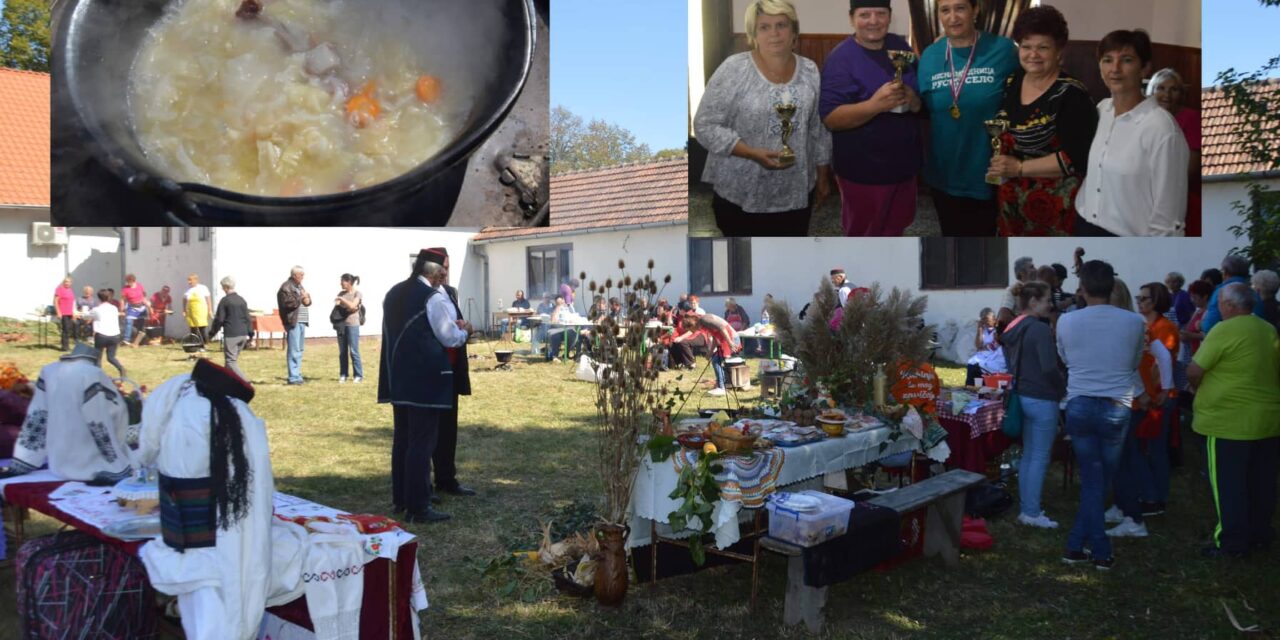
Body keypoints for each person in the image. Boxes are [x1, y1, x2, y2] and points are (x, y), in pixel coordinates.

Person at [135, 359, 274, 640]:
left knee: (198, 603)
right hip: (218, 536)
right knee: (219, 605)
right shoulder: (230, 417)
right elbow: (256, 486)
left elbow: (146, 451)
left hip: (184, 531)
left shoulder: (172, 395)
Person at [694, 0, 832, 236]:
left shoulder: (810, 70)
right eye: (764, 27)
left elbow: (817, 129)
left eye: (781, 25)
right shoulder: (734, 69)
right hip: (741, 194)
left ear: (794, 31)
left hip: (796, 192)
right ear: (753, 34)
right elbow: (705, 125)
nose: (775, 34)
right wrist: (749, 152)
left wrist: (823, 175)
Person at [1056, 259, 1145, 570]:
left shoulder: (1067, 321)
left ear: (1082, 287)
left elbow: (1064, 358)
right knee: (1099, 480)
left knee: (1095, 480)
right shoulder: (1135, 322)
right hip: (1116, 404)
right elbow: (1134, 363)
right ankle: (1099, 548)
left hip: (1080, 402)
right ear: (1112, 286)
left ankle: (1076, 545)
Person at [1186, 283, 1280, 558]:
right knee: (1261, 483)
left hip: (1228, 421)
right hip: (1267, 419)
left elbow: (1194, 369)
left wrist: (1196, 386)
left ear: (1228, 305)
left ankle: (1231, 543)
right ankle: (1260, 535)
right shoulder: (1267, 329)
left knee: (1229, 486)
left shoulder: (1224, 329)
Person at [379, 248, 471, 523]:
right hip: (424, 379)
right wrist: (467, 331)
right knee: (422, 442)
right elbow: (449, 337)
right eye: (441, 272)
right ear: (431, 273)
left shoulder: (394, 292)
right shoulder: (430, 297)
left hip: (399, 377)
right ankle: (418, 506)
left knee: (403, 440)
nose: (443, 277)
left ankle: (402, 498)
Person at [988, 5, 1097, 236]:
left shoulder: (1072, 94)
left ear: (1059, 51)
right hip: (1011, 201)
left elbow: (1077, 158)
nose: (1033, 54)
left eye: (1043, 47)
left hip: (1055, 209)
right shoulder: (1013, 81)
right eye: (1026, 47)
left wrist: (1019, 168)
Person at [820, 0, 922, 236]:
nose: (873, 21)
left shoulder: (900, 46)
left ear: (889, 16)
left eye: (880, 13)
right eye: (865, 14)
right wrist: (874, 105)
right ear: (851, 19)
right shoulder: (840, 58)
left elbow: (918, 101)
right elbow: (831, 118)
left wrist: (913, 99)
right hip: (864, 171)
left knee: (897, 233)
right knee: (864, 237)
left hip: (904, 167)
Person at [917, 0, 1018, 236]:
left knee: (986, 242)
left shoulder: (1004, 50)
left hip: (989, 171)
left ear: (975, 11)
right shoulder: (931, 55)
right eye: (945, 10)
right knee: (950, 237)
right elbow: (923, 106)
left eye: (960, 8)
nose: (953, 17)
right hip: (944, 171)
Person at [1075, 30, 1189, 236]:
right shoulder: (1102, 109)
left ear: (1144, 69)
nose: (1115, 69)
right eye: (1107, 60)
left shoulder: (1162, 129)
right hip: (1084, 225)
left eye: (1126, 60)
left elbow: (1168, 219)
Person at [1107, 282, 1179, 537]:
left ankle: (1144, 502)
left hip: (1135, 400)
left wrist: (1161, 391)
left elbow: (1159, 358)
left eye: (1145, 298)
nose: (1141, 302)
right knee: (1130, 454)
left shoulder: (1136, 326)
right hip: (1134, 398)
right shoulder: (1139, 325)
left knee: (1133, 455)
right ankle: (1126, 503)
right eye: (1138, 297)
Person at [0, 343, 130, 483]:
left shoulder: (49, 371)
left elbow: (37, 417)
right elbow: (99, 420)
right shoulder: (92, 374)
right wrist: (115, 464)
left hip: (58, 463)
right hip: (90, 463)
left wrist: (24, 459)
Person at [1001, 281, 1065, 528]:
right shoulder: (1038, 330)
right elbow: (1049, 367)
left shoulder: (1015, 327)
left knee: (1029, 454)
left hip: (1022, 394)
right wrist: (1061, 388)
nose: (1051, 305)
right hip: (1042, 396)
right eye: (1048, 300)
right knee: (1038, 456)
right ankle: (1031, 511)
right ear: (1033, 302)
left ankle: (1028, 506)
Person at [432, 255, 476, 500]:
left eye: (447, 268)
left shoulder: (449, 292)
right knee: (429, 430)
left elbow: (452, 325)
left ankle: (446, 478)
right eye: (441, 268)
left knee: (449, 428)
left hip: (451, 368)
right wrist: (462, 330)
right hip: (432, 369)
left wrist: (463, 325)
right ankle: (423, 483)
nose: (444, 273)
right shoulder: (423, 295)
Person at [1149, 67, 1201, 237]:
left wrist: (1165, 193)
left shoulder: (1191, 118)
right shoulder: (1146, 118)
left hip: (1179, 195)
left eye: (1174, 89)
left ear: (1181, 93)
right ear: (1151, 91)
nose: (1167, 95)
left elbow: (1191, 167)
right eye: (1161, 88)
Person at [673, 312, 741, 396]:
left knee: (717, 361)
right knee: (716, 359)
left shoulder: (704, 320)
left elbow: (722, 327)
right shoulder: (703, 324)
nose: (691, 331)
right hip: (726, 339)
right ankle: (722, 385)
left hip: (731, 337)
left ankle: (721, 387)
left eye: (690, 329)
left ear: (692, 325)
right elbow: (716, 336)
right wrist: (711, 351)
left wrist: (730, 342)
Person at [1202, 254, 1265, 334]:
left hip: (1228, 340)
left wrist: (1201, 324)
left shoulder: (1221, 292)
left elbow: (1209, 326)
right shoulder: (1253, 291)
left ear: (1225, 272)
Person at [209, 276, 252, 381]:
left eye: (222, 287)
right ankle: (224, 382)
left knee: (230, 361)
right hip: (243, 335)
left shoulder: (225, 301)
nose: (222, 289)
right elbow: (247, 318)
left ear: (226, 287)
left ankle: (246, 382)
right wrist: (251, 334)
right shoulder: (242, 300)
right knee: (231, 362)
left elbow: (219, 319)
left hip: (232, 335)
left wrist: (211, 334)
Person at [276, 266, 311, 385]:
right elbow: (288, 303)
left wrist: (308, 299)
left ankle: (297, 374)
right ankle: (293, 377)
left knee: (299, 349)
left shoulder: (299, 286)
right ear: (295, 275)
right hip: (293, 321)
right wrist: (301, 297)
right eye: (301, 275)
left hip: (301, 321)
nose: (303, 277)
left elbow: (305, 301)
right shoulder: (286, 287)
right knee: (294, 349)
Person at [333, 274, 364, 384]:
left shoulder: (357, 293)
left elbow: (353, 306)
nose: (341, 283)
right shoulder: (341, 293)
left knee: (354, 351)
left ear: (349, 282)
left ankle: (358, 375)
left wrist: (343, 301)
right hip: (341, 325)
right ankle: (343, 374)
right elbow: (340, 306)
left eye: (342, 281)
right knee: (342, 351)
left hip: (352, 324)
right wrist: (350, 306)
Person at [88, 290, 126, 377]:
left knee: (98, 357)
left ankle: (98, 375)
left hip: (101, 335)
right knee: (111, 357)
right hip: (114, 335)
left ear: (99, 298)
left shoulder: (97, 309)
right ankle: (121, 368)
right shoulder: (114, 308)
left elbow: (87, 316)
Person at [966, 307, 1006, 385]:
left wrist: (985, 347)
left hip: (994, 356)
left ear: (994, 319)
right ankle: (971, 386)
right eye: (983, 319)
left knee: (979, 366)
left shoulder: (998, 330)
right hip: (983, 355)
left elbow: (996, 344)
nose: (985, 321)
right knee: (971, 363)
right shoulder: (983, 329)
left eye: (986, 319)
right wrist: (979, 330)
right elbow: (978, 345)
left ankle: (979, 385)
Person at [997, 256, 1037, 327]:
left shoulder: (1036, 289)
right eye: (1031, 267)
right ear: (1022, 273)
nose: (1035, 270)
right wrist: (1026, 325)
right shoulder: (1011, 290)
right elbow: (1004, 317)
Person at [183, 274, 213, 347]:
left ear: (196, 280)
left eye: (190, 280)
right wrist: (184, 310)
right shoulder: (188, 290)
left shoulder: (203, 288)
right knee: (193, 329)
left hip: (201, 312)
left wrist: (210, 310)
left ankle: (204, 344)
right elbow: (184, 300)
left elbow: (208, 299)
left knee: (201, 329)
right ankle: (194, 344)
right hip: (192, 313)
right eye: (188, 280)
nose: (189, 282)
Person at [120, 274, 150, 346]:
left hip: (141, 307)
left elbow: (143, 296)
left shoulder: (139, 286)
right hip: (131, 308)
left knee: (141, 325)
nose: (129, 283)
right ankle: (126, 340)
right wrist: (122, 308)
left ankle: (141, 340)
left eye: (130, 281)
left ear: (134, 281)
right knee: (129, 322)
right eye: (127, 282)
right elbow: (122, 300)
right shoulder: (125, 289)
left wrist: (147, 302)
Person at [54, 276, 76, 351]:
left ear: (71, 283)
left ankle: (66, 345)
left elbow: (72, 302)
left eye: (69, 282)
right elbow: (56, 301)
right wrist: (58, 312)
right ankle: (64, 347)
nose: (67, 283)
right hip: (63, 312)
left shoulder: (70, 290)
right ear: (63, 282)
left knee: (68, 329)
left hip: (70, 313)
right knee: (65, 329)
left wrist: (73, 312)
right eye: (66, 281)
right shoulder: (59, 289)